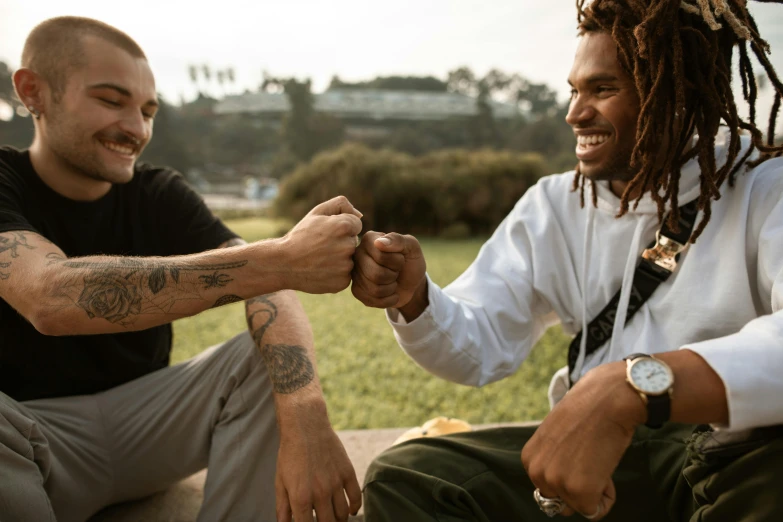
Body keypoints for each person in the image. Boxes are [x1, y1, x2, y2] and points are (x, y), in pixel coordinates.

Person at [351, 0, 783, 520]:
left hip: (724, 449)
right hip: (594, 463)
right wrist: (415, 299)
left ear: (676, 93)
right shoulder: (553, 204)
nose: (575, 113)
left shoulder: (765, 185)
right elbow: (482, 341)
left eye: (602, 90)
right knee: (411, 476)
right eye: (574, 90)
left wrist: (631, 387)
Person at [0, 16, 363, 522]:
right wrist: (281, 257)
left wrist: (307, 413)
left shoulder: (159, 191)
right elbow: (49, 297)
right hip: (30, 438)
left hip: (145, 429)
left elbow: (273, 291)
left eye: (147, 110)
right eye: (110, 100)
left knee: (267, 356)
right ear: (33, 91)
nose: (137, 129)